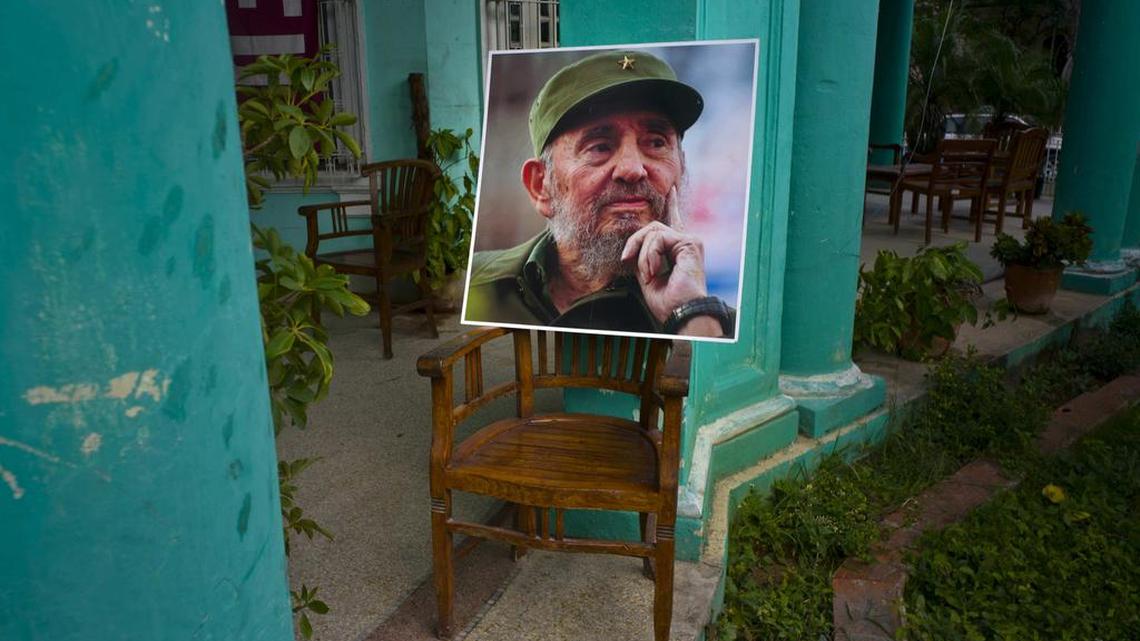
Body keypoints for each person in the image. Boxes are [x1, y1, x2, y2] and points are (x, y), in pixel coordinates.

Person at [465, 49, 735, 338]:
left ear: (682, 167)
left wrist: (690, 312)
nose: (632, 169)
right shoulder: (480, 287)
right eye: (599, 146)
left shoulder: (718, 327)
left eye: (656, 143)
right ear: (541, 185)